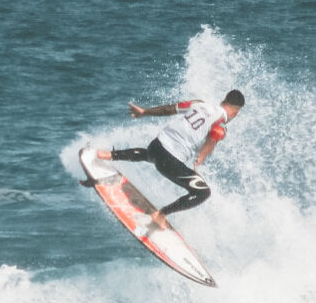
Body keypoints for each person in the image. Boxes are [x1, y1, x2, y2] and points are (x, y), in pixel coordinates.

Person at [96, 90, 245, 229]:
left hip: (156, 146)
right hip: (169, 162)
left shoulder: (199, 103)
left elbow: (171, 109)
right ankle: (161, 215)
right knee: (203, 193)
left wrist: (145, 112)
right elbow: (215, 135)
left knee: (148, 155)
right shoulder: (222, 124)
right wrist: (201, 158)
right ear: (236, 112)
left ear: (223, 101)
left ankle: (109, 155)